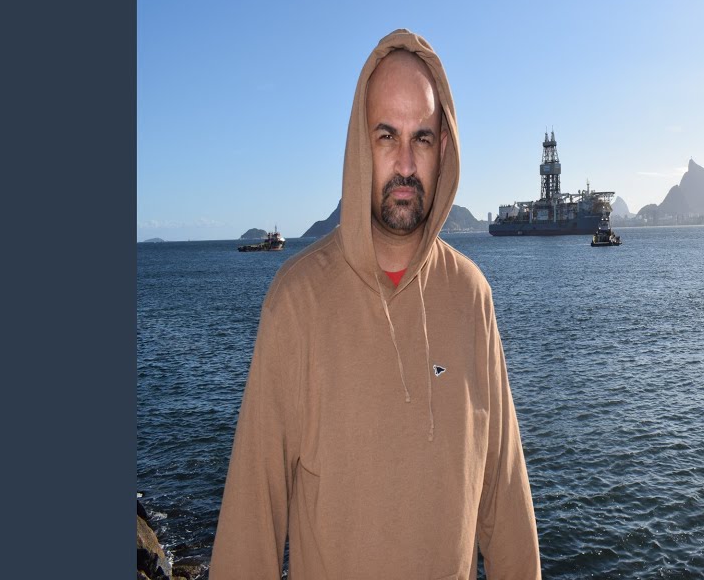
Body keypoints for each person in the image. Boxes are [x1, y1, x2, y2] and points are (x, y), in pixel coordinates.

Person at [209, 29, 541, 579]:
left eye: (422, 138)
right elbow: (252, 521)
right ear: (360, 148)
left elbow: (505, 502)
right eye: (387, 136)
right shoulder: (296, 302)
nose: (406, 163)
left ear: (444, 150)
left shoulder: (470, 296)